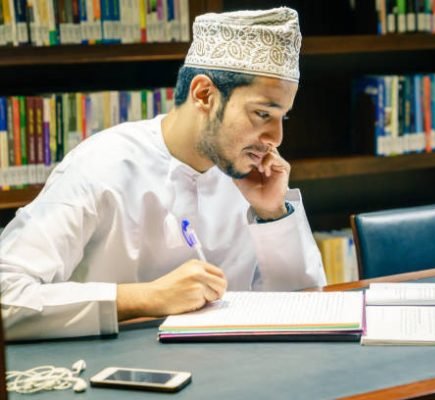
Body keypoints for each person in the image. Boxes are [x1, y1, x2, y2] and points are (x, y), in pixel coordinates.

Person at [0, 7, 326, 341]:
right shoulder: (101, 166)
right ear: (204, 95)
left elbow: (306, 304)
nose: (276, 138)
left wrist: (273, 214)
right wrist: (144, 297)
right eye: (261, 113)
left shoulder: (249, 173)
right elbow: (6, 297)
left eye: (282, 118)